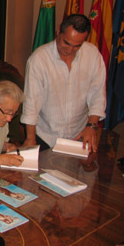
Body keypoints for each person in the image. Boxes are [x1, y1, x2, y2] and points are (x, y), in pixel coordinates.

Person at [21, 14, 106, 152]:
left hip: (79, 134)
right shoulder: (39, 59)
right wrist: (30, 138)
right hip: (46, 137)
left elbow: (97, 95)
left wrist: (91, 126)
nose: (69, 50)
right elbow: (31, 103)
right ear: (59, 30)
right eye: (66, 43)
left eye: (77, 46)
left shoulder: (93, 55)